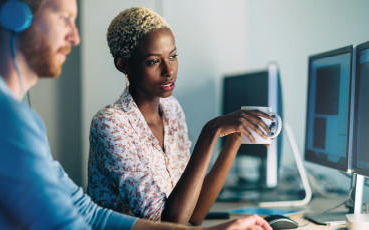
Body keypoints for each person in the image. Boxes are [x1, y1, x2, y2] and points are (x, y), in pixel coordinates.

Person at [0, 1, 271, 229]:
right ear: (16, 15)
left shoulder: (0, 110)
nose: (74, 37)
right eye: (63, 17)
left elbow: (88, 213)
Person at [87, 7, 273, 226]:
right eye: (154, 61)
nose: (169, 70)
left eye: (173, 56)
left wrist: (234, 139)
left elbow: (194, 215)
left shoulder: (172, 109)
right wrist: (210, 132)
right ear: (123, 65)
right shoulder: (110, 125)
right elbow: (169, 223)